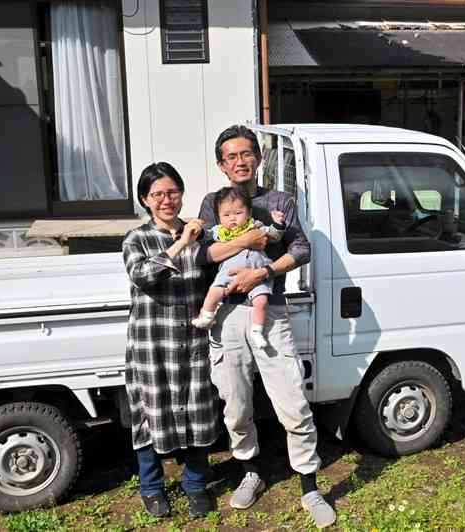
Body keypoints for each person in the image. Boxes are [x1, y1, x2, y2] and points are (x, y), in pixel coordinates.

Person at [198, 125, 336, 528]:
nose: (239, 162)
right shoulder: (214, 202)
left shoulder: (280, 200)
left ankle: (309, 485)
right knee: (236, 405)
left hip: (270, 310)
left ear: (258, 158)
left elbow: (301, 248)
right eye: (230, 157)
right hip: (226, 316)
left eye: (246, 154)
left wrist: (264, 273)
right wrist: (251, 241)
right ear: (221, 165)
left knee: (292, 402)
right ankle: (250, 472)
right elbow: (207, 253)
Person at [122, 162, 264, 519]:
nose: (167, 200)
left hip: (197, 337)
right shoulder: (137, 238)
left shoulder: (204, 232)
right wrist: (182, 243)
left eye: (172, 192)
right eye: (158, 194)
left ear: (182, 194)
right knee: (150, 414)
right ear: (145, 199)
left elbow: (230, 249)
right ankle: (151, 488)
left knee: (200, 410)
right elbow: (144, 276)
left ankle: (196, 485)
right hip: (153, 343)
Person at [191, 186, 285, 353]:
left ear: (248, 213)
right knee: (214, 292)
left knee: (261, 302)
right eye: (226, 215)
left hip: (258, 273)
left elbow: (274, 236)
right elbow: (204, 237)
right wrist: (196, 230)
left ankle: (257, 331)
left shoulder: (255, 227)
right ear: (219, 217)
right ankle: (206, 316)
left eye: (238, 213)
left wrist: (278, 224)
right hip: (228, 271)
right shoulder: (220, 231)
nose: (232, 219)